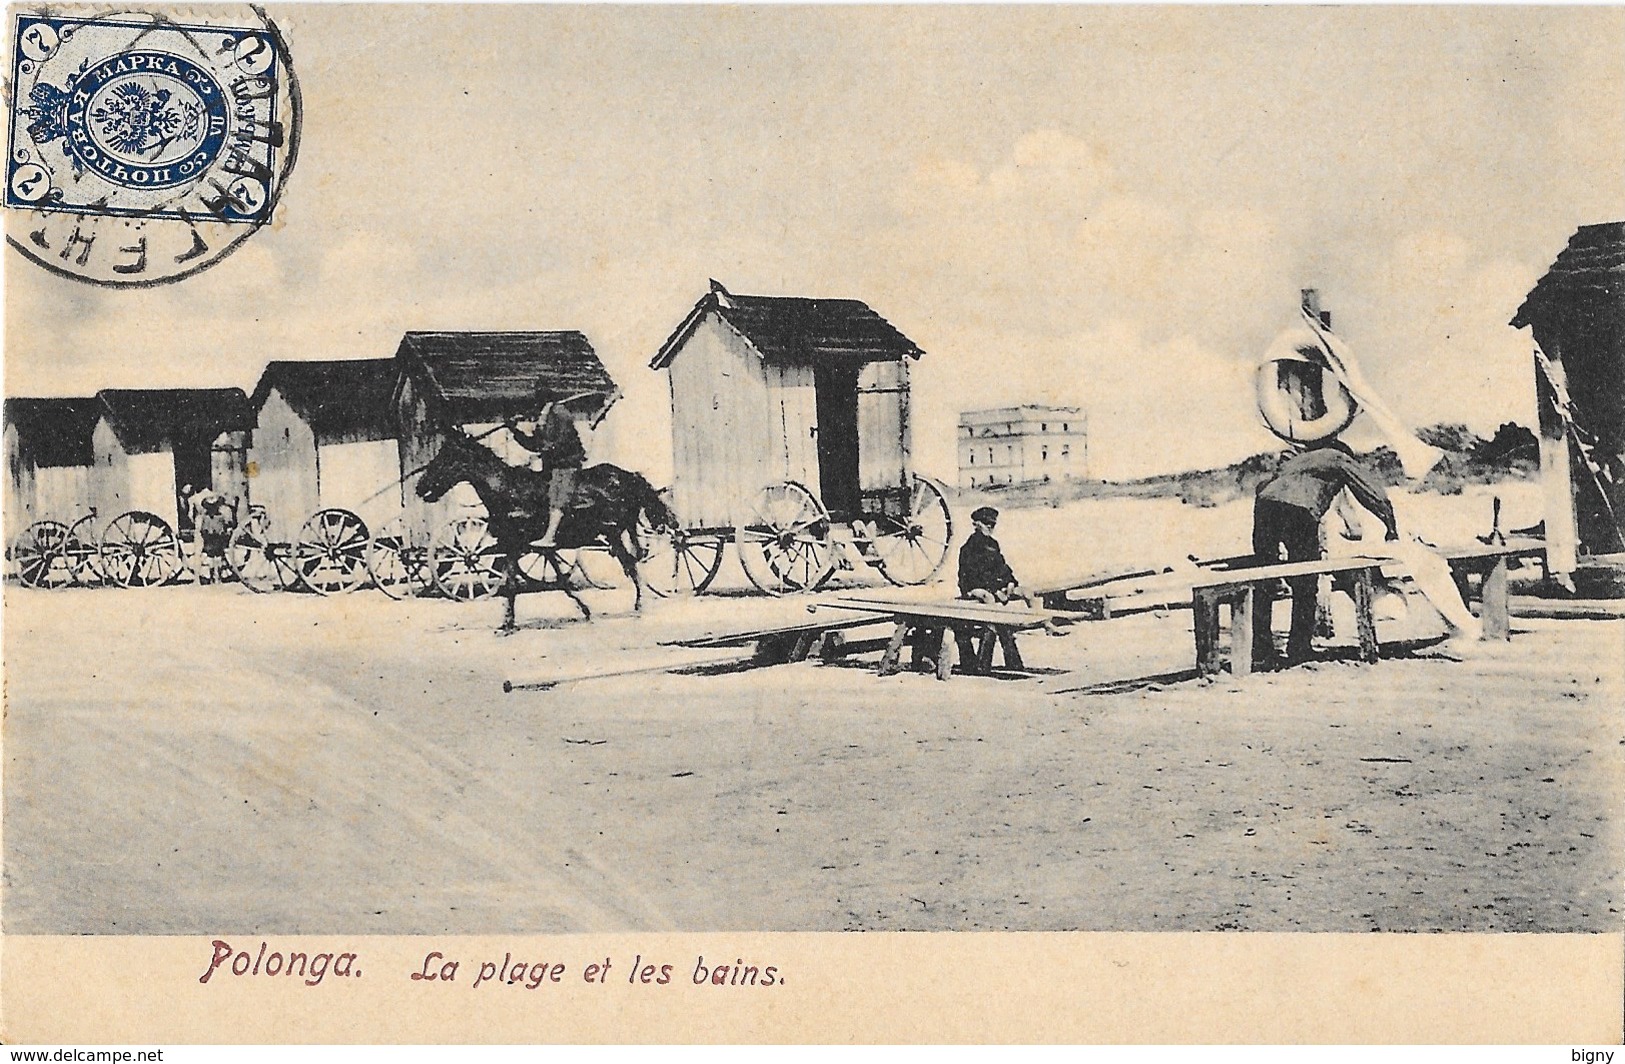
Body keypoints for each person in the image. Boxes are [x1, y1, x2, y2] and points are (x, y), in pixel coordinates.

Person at [1252, 438, 1398, 666]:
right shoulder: (1338, 458)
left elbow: (1267, 486)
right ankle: (1299, 648)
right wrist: (1391, 526)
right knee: (1306, 583)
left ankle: (1261, 650)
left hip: (1264, 505)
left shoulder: (1298, 460)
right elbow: (1372, 492)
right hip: (1299, 510)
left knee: (1264, 581)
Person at [957, 506, 1064, 636]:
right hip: (973, 587)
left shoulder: (993, 544)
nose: (990, 527)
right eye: (987, 524)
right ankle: (994, 630)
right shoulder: (969, 547)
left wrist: (1011, 582)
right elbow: (975, 576)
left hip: (992, 585)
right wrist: (995, 590)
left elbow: (1002, 567)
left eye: (993, 524)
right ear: (977, 524)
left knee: (1027, 592)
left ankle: (1046, 624)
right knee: (988, 598)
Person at [510, 385, 586, 548]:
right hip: (552, 467)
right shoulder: (544, 417)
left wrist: (546, 449)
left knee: (558, 499)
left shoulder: (560, 413)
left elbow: (562, 441)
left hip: (567, 464)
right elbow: (536, 444)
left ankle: (550, 537)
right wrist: (516, 433)